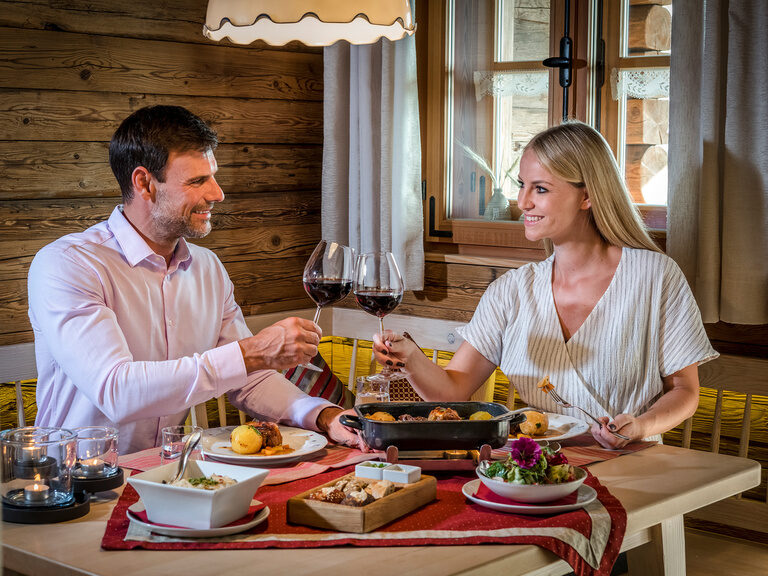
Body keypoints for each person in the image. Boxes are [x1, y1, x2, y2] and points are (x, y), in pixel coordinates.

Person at [28, 105, 362, 454]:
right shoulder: (69, 264)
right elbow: (117, 391)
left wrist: (324, 416)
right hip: (70, 486)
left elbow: (249, 378)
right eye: (198, 181)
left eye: (213, 176)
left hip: (169, 472)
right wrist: (251, 352)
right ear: (144, 183)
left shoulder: (208, 267)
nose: (217, 193)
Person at [373, 121, 717, 449]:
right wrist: (411, 358)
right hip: (532, 469)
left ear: (588, 196)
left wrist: (641, 426)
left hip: (633, 467)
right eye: (522, 185)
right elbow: (454, 389)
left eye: (540, 188)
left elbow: (685, 390)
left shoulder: (655, 277)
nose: (523, 203)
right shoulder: (512, 291)